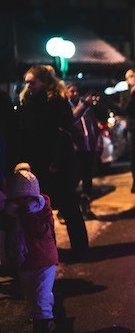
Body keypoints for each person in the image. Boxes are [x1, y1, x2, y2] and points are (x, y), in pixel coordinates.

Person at [14, 65, 88, 256]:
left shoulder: (56, 101)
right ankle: (50, 249)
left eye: (32, 81)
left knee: (69, 205)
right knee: (43, 208)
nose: (28, 85)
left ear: (44, 82)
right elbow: (23, 134)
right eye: (27, 82)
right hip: (37, 163)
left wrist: (56, 160)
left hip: (58, 162)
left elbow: (63, 133)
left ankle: (81, 248)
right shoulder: (26, 103)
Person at [0, 163, 58, 333]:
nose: (21, 203)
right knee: (33, 298)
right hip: (24, 263)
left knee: (40, 300)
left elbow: (43, 232)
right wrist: (7, 256)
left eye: (25, 199)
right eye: (18, 200)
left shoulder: (41, 209)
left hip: (44, 260)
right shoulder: (10, 213)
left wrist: (27, 215)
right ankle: (46, 317)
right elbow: (5, 234)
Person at [66, 83, 101, 219]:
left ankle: (86, 208)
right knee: (74, 179)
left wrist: (96, 142)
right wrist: (85, 105)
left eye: (76, 91)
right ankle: (67, 210)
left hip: (89, 147)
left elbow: (95, 124)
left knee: (88, 179)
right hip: (75, 149)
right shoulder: (67, 108)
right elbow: (72, 119)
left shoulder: (88, 107)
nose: (74, 93)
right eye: (71, 91)